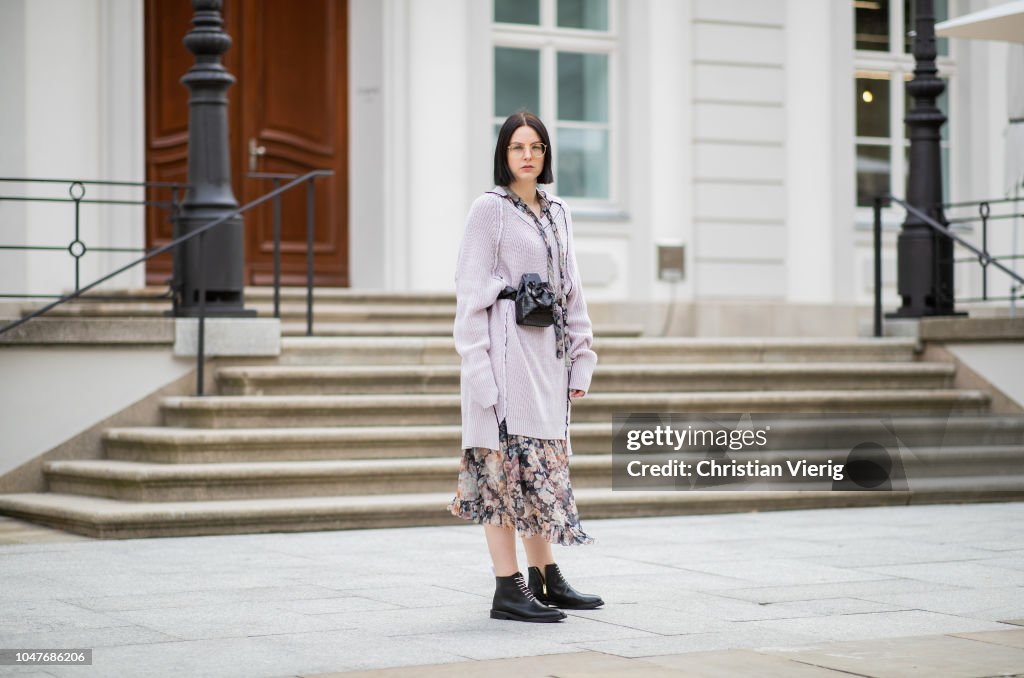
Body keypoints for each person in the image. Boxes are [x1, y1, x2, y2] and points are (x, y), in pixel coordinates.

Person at [447, 110, 604, 623]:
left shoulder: (559, 211)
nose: (528, 155)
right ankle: (507, 588)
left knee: (539, 468)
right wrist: (477, 371)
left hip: (547, 359)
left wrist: (583, 357)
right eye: (518, 147)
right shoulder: (488, 210)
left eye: (536, 146)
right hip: (502, 354)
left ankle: (545, 577)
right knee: (501, 472)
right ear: (504, 154)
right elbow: (470, 295)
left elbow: (572, 290)